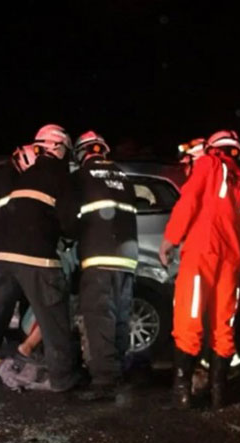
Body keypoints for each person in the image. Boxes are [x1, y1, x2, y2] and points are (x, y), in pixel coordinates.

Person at [0, 125, 81, 392]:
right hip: (36, 258)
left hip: (2, 256)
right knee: (54, 315)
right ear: (57, 148)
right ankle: (63, 378)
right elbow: (69, 224)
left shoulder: (23, 176)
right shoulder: (61, 176)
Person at [159, 130, 240, 409]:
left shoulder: (208, 164)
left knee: (189, 317)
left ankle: (182, 395)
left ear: (212, 148)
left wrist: (170, 240)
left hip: (201, 251)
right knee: (223, 322)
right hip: (232, 258)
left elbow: (189, 201)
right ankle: (220, 394)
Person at [67, 131, 138, 399]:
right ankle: (117, 370)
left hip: (98, 256)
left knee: (99, 318)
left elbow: (70, 219)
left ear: (81, 154)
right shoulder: (123, 176)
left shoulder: (80, 178)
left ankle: (104, 380)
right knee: (120, 315)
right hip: (128, 257)